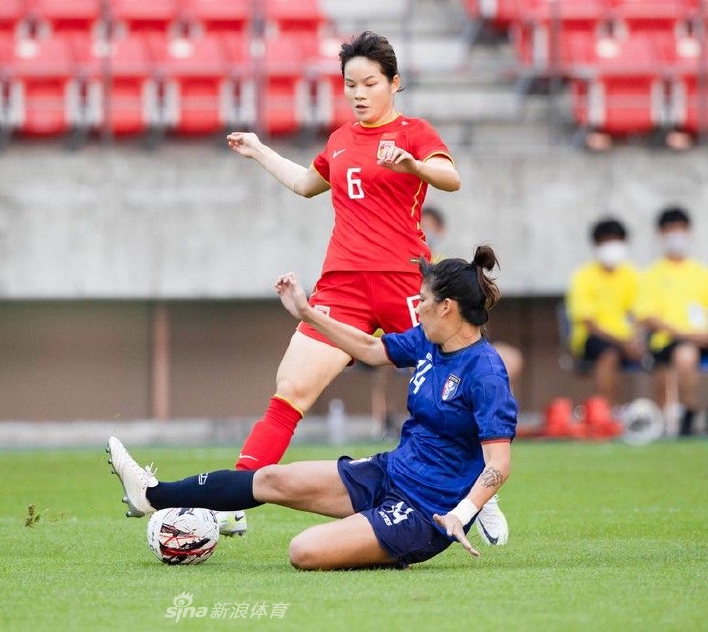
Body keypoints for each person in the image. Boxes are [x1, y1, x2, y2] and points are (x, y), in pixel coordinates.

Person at [218, 30, 507, 538]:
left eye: (368, 83)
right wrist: (261, 152)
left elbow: (451, 178)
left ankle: (480, 496)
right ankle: (237, 495)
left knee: (455, 388)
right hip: (342, 286)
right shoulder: (340, 139)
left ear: (394, 83)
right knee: (290, 391)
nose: (357, 92)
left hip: (409, 286)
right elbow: (308, 184)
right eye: (350, 83)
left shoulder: (415, 132)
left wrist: (414, 164)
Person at [108, 247, 517, 570]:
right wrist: (308, 313)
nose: (418, 307)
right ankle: (151, 495)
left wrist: (461, 514)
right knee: (268, 478)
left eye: (424, 300)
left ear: (447, 307)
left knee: (303, 550)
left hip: (426, 511)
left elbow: (498, 462)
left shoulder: (486, 372)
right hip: (388, 472)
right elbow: (372, 349)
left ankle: (387, 545)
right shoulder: (430, 340)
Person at [422, 206, 524, 393]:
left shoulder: (449, 268)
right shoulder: (410, 267)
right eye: (422, 226)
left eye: (430, 227)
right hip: (433, 346)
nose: (426, 233)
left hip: (459, 345)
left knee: (508, 361)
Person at [635, 207, 708, 436]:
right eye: (671, 229)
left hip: (702, 339)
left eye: (680, 228)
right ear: (661, 234)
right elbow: (646, 316)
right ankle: (689, 413)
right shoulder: (652, 275)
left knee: (689, 352)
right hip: (667, 342)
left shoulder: (700, 273)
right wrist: (684, 334)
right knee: (685, 355)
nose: (676, 234)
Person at [565, 218, 645, 405]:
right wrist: (623, 343)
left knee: (660, 353)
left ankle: (668, 416)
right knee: (609, 354)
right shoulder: (583, 276)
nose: (612, 246)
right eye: (606, 241)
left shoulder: (632, 275)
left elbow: (640, 315)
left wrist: (636, 340)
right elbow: (589, 324)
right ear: (596, 244)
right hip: (591, 340)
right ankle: (608, 410)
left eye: (616, 240)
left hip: (628, 340)